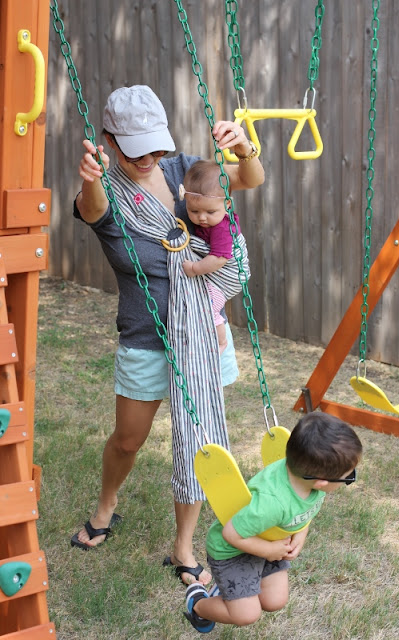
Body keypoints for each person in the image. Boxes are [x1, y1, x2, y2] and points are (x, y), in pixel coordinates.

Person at [70, 84, 264, 588]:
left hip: (199, 332)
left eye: (155, 147)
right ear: (110, 141)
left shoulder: (185, 172)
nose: (148, 159)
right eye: (136, 150)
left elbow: (248, 178)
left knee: (199, 441)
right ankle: (107, 503)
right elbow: (92, 209)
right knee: (128, 439)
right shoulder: (108, 189)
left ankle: (183, 546)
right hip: (145, 334)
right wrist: (91, 178)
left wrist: (244, 148)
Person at [183, 413, 363, 633]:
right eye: (349, 477)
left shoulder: (310, 483)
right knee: (247, 614)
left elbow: (304, 513)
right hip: (234, 551)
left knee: (275, 601)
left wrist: (300, 534)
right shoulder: (272, 503)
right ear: (322, 481)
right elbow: (230, 534)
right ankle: (198, 603)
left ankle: (234, 592)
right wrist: (268, 550)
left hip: (270, 541)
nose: (349, 479)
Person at [180, 160, 245, 353]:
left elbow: (219, 258)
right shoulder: (209, 219)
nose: (202, 218)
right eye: (194, 211)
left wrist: (195, 268)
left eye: (210, 212)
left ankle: (221, 341)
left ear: (227, 204)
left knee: (208, 306)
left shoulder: (222, 227)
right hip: (216, 270)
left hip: (229, 276)